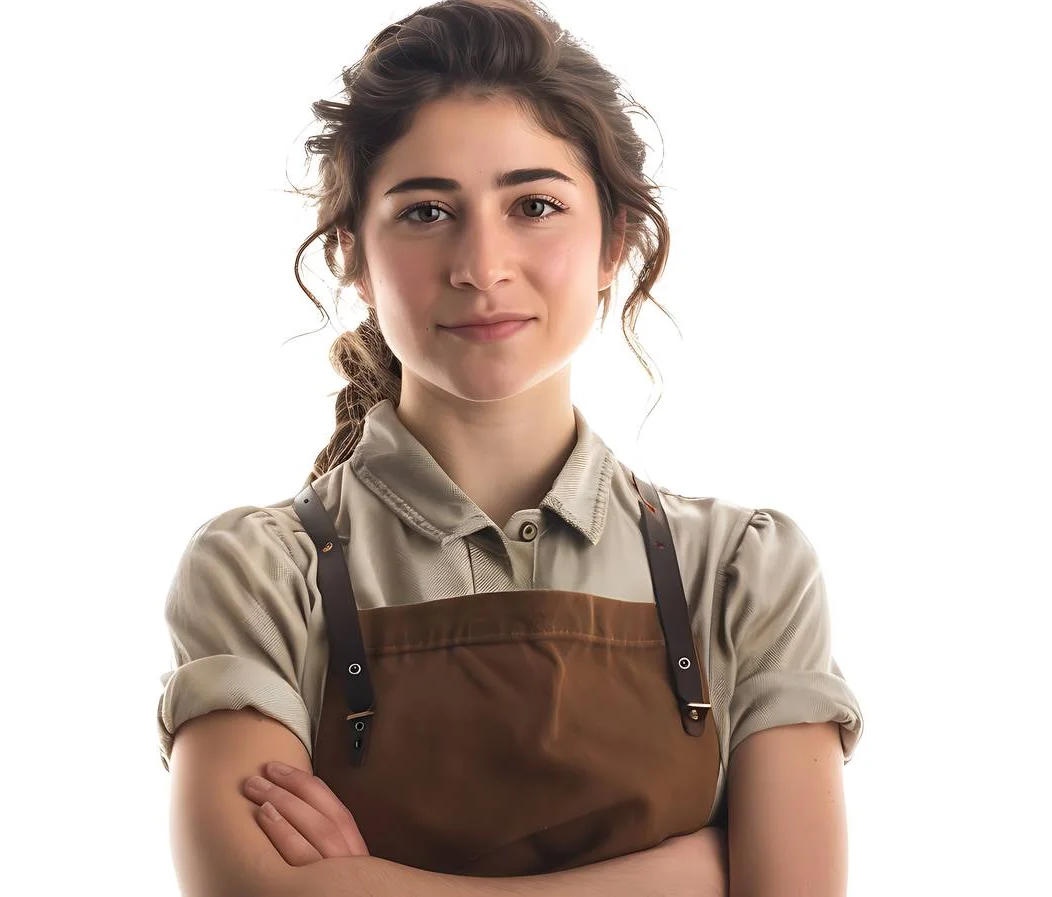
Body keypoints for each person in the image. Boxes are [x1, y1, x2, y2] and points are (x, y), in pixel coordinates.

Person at [154, 2, 864, 895]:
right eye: (425, 212)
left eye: (534, 205)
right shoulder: (260, 571)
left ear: (615, 242)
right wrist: (695, 871)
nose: (482, 265)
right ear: (352, 258)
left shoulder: (742, 567)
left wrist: (366, 881)